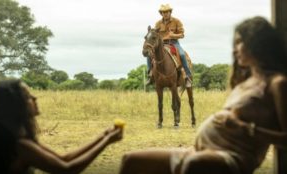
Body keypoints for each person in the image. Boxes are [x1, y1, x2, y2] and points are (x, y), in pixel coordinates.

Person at [120, 16, 287, 174]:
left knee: (183, 56)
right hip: (202, 150)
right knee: (130, 160)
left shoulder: (277, 83)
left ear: (256, 44)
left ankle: (186, 74)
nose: (234, 50)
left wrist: (247, 129)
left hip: (230, 156)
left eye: (239, 43)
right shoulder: (244, 82)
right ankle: (151, 73)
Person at [0, 79, 123, 174]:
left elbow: (63, 158)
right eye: (28, 96)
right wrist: (106, 141)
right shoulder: (20, 146)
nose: (35, 98)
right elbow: (66, 169)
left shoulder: (15, 138)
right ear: (15, 106)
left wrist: (102, 137)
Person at [146, 4, 192, 85]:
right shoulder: (158, 23)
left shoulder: (177, 21)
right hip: (162, 44)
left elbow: (182, 34)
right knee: (149, 54)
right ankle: (150, 75)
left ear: (170, 12)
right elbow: (155, 35)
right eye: (163, 12)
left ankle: (187, 76)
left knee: (182, 54)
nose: (165, 14)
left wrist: (173, 35)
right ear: (161, 13)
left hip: (174, 43)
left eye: (167, 12)